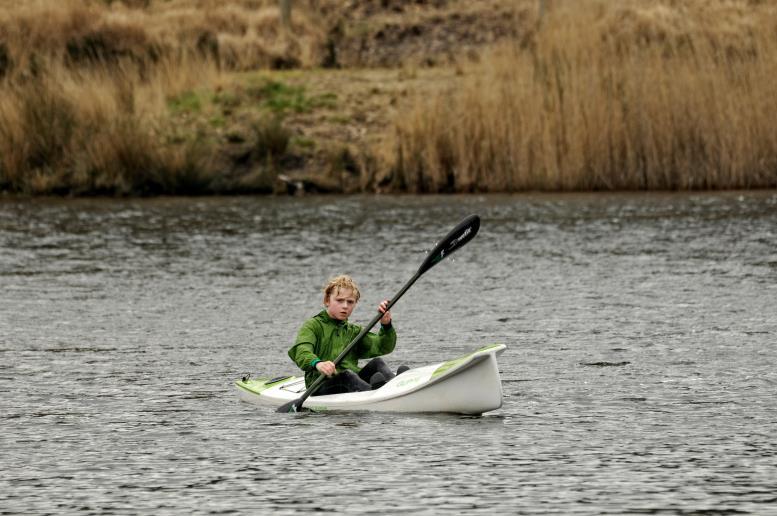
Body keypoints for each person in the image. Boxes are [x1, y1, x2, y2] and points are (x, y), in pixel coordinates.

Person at [288, 274, 404, 394]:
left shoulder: (354, 331)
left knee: (377, 363)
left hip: (352, 380)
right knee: (347, 376)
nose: (345, 306)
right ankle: (376, 394)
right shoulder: (312, 326)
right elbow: (301, 351)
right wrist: (318, 363)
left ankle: (398, 387)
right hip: (320, 384)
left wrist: (386, 325)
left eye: (350, 302)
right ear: (327, 301)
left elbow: (383, 347)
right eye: (339, 300)